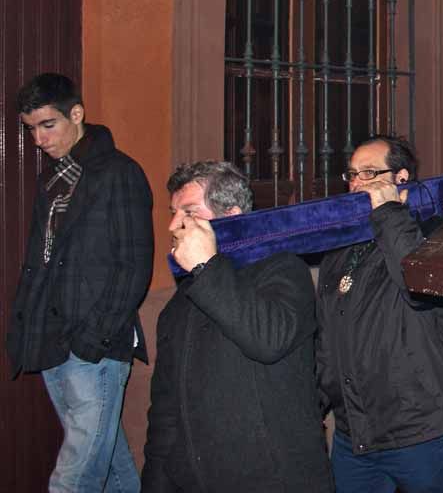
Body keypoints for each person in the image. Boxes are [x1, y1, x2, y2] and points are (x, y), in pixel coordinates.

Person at [142, 161, 332, 492]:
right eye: (173, 212)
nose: (174, 225)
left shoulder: (282, 269)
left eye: (189, 211)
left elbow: (268, 340)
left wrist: (206, 266)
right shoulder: (177, 307)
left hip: (276, 480)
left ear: (231, 216)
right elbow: (165, 414)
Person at [7, 73, 153, 492]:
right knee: (110, 465)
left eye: (47, 125)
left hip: (94, 348)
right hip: (51, 340)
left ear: (77, 114)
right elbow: (42, 261)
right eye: (31, 128)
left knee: (74, 477)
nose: (39, 139)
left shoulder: (119, 173)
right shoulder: (52, 180)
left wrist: (95, 339)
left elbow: (133, 266)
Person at [317, 135, 443, 493]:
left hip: (421, 431)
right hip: (355, 436)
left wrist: (389, 213)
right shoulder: (340, 248)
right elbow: (326, 336)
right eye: (352, 174)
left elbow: (420, 288)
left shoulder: (434, 229)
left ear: (401, 178)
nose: (357, 183)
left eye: (369, 173)